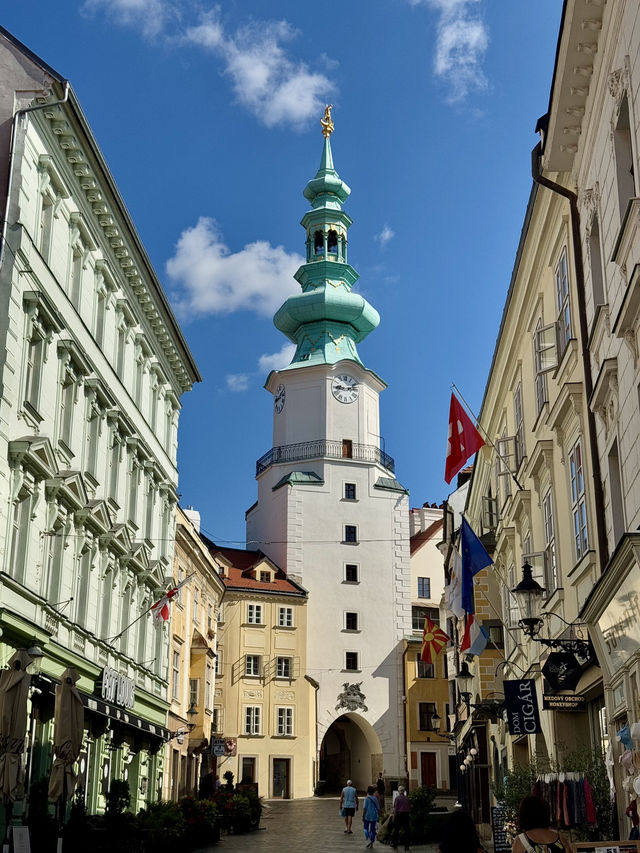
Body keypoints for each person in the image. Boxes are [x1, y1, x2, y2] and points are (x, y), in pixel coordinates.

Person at [392, 785, 410, 851]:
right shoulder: (407, 798)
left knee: (396, 830)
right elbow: (409, 807)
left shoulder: (397, 798)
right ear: (404, 791)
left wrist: (394, 817)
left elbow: (395, 808)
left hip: (399, 815)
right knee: (407, 831)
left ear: (399, 791)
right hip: (406, 815)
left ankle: (395, 844)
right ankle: (407, 846)